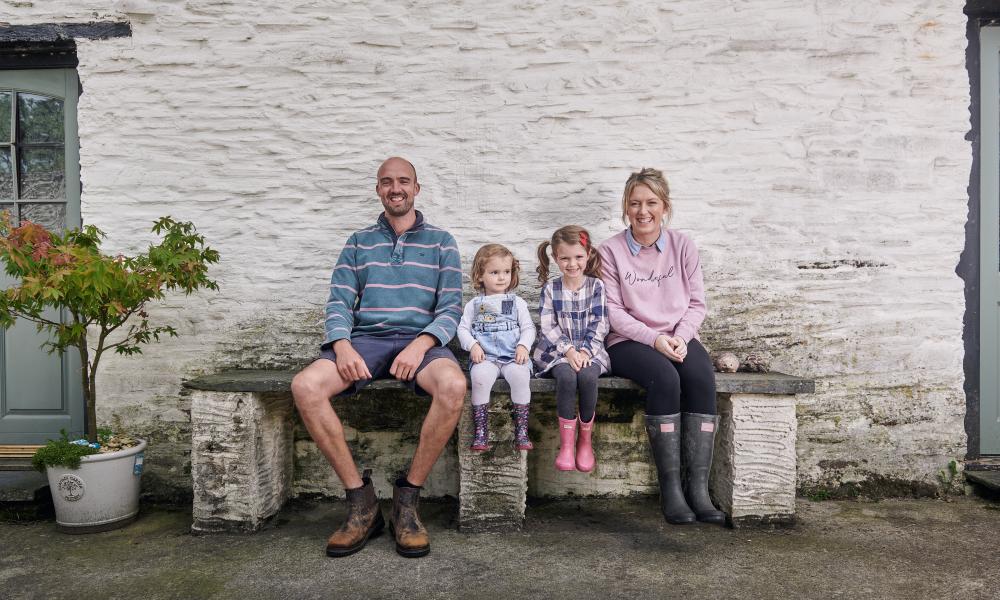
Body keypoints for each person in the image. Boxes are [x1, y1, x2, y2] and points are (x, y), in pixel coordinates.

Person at [291, 157, 467, 558]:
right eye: (387, 182)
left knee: (454, 385)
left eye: (404, 181)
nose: (395, 188)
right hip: (366, 341)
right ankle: (361, 503)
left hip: (421, 344)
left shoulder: (442, 242)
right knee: (305, 386)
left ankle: (407, 501)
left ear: (416, 189)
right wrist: (342, 344)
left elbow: (451, 308)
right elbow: (338, 301)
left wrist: (421, 343)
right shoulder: (358, 241)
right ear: (378, 189)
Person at [597, 167, 725, 525]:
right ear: (626, 207)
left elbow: (697, 303)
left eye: (651, 202)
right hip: (629, 341)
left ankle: (697, 489)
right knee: (665, 379)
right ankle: (671, 490)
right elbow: (614, 312)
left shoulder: (683, 245)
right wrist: (654, 339)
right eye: (635, 203)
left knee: (700, 376)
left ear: (664, 206)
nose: (643, 211)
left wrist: (681, 338)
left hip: (678, 335)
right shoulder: (610, 252)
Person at [533, 225, 610, 473]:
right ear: (556, 258)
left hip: (591, 351)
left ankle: (584, 441)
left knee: (587, 376)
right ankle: (566, 445)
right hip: (558, 352)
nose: (572, 263)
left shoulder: (596, 287)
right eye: (564, 258)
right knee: (566, 376)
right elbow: (548, 324)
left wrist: (585, 351)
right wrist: (568, 351)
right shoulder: (550, 289)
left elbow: (600, 323)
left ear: (588, 255)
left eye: (578, 257)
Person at [457, 244, 536, 452]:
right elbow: (463, 330)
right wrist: (473, 345)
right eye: (494, 272)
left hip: (513, 356)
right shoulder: (474, 304)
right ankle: (481, 431)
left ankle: (521, 431)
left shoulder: (517, 302)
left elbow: (528, 328)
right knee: (480, 379)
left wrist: (523, 346)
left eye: (506, 272)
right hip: (487, 358)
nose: (502, 277)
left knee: (520, 376)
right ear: (480, 275)